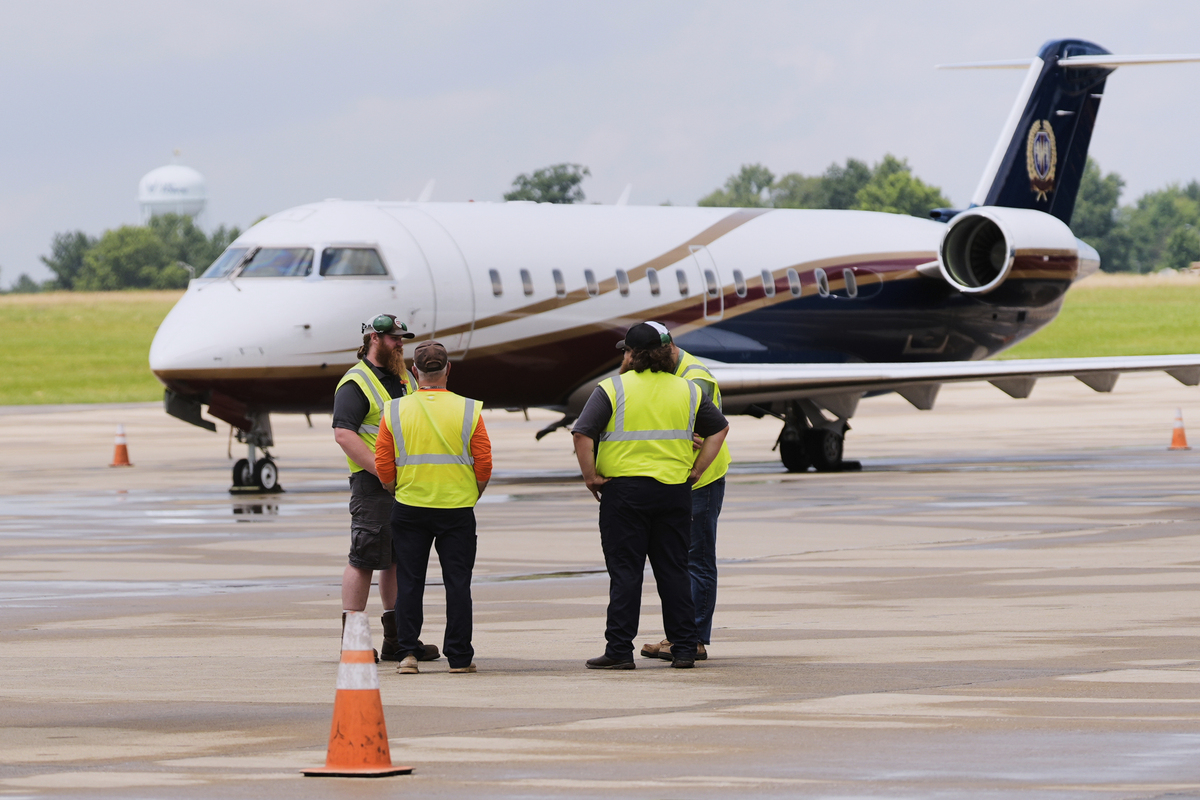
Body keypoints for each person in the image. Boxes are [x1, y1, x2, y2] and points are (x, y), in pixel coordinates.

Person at [572, 321, 729, 670]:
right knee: (673, 570)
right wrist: (698, 469)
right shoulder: (686, 390)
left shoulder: (612, 389)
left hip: (625, 493)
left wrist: (591, 477)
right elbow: (719, 429)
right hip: (673, 492)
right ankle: (685, 648)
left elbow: (582, 433)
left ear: (631, 354)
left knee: (626, 572)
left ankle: (619, 651)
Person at [375, 340, 492, 675]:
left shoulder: (395, 410)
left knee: (410, 581)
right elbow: (483, 463)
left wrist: (395, 488)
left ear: (414, 372)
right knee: (458, 583)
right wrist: (472, 492)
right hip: (456, 509)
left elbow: (384, 463)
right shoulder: (469, 409)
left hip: (410, 506)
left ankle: (408, 654)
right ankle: (458, 656)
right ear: (447, 370)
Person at [332, 313, 437, 663]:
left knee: (394, 561)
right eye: (394, 339)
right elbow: (344, 433)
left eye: (402, 339)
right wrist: (382, 471)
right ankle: (353, 642)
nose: (400, 344)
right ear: (374, 339)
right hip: (373, 484)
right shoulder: (356, 383)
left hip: (403, 484)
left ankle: (397, 639)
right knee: (363, 559)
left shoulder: (403, 377)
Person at [640, 338, 732, 663]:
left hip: (702, 477)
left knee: (698, 559)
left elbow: (705, 431)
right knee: (680, 561)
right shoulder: (672, 373)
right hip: (683, 478)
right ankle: (679, 636)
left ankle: (693, 639)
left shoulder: (695, 377)